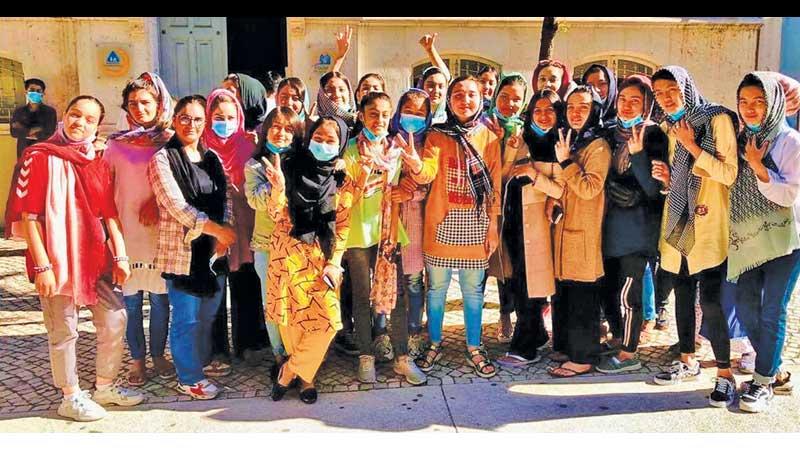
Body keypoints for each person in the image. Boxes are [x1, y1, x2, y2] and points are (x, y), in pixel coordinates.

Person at [5, 95, 144, 421]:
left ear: (97, 127)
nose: (79, 123)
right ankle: (70, 396)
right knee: (63, 330)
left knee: (115, 319)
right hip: (57, 260)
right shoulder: (38, 157)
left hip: (94, 259)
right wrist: (42, 266)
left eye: (89, 119)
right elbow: (30, 216)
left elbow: (109, 213)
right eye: (75, 114)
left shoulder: (96, 161)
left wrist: (121, 255)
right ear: (64, 117)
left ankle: (105, 386)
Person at [649, 66, 739, 409]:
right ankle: (687, 360)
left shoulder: (716, 120)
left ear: (686, 86)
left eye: (671, 89)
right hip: (680, 221)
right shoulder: (673, 128)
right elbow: (685, 179)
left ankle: (726, 374)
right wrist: (668, 180)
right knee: (683, 295)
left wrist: (692, 146)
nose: (666, 97)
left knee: (713, 301)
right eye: (659, 93)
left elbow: (729, 174)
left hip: (711, 225)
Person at [265, 115, 369, 404]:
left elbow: (344, 225)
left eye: (330, 140)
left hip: (322, 257)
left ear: (341, 143)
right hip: (288, 254)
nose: (323, 144)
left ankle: (287, 372)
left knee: (327, 323)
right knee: (292, 323)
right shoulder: (288, 166)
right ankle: (306, 379)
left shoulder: (344, 180)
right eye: (318, 138)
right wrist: (277, 190)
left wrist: (335, 262)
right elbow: (276, 214)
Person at [408, 75, 501, 379]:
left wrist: (493, 226)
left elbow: (494, 187)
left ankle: (474, 347)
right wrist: (418, 165)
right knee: (437, 289)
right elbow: (428, 172)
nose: (465, 100)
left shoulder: (491, 137)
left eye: (471, 94)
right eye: (457, 94)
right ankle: (434, 343)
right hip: (442, 224)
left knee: (473, 291)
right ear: (448, 101)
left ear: (481, 99)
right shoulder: (436, 135)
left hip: (476, 222)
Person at [149, 95, 236, 400]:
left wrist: (222, 238)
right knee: (185, 318)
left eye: (198, 119)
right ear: (174, 120)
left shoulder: (212, 157)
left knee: (209, 315)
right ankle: (188, 377)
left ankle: (199, 363)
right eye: (185, 117)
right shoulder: (162, 159)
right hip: (182, 252)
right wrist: (218, 230)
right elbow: (176, 205)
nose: (191, 124)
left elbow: (225, 197)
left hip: (212, 254)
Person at [727, 72, 800, 412]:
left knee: (772, 308)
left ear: (774, 103)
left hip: (788, 240)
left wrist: (758, 166)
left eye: (759, 101)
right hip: (752, 236)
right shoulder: (741, 139)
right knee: (744, 306)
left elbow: (789, 194)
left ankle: (762, 382)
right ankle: (775, 369)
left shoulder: (790, 142)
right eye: (744, 102)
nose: (750, 108)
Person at [342, 91, 426, 385]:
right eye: (373, 113)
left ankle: (402, 358)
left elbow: (418, 180)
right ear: (362, 115)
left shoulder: (397, 148)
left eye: (384, 114)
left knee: (398, 295)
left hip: (390, 231)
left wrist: (413, 170)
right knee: (362, 295)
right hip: (358, 232)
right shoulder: (349, 148)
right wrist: (360, 179)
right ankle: (366, 356)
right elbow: (342, 191)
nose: (379, 119)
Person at [104, 72, 176, 386]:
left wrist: (157, 203)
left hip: (161, 231)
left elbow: (181, 183)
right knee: (131, 300)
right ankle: (136, 359)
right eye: (133, 103)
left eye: (146, 102)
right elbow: (105, 188)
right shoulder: (115, 144)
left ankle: (159, 354)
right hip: (126, 232)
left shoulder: (172, 140)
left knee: (160, 299)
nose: (139, 108)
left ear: (159, 103)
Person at [595, 75, 668, 374]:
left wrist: (637, 159)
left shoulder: (653, 136)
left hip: (637, 230)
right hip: (608, 227)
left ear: (647, 104)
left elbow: (654, 188)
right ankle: (617, 337)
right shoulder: (610, 132)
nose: (626, 106)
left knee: (629, 293)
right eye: (623, 99)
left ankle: (629, 352)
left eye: (635, 100)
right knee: (608, 288)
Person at [494, 89, 565, 367]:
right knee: (518, 281)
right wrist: (512, 150)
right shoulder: (522, 138)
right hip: (513, 222)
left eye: (550, 110)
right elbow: (501, 176)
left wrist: (533, 175)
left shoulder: (559, 144)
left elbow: (561, 189)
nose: (544, 116)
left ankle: (525, 347)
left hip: (537, 227)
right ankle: (536, 334)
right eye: (538, 110)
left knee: (532, 285)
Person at [546, 86, 611, 378]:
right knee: (565, 293)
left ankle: (583, 356)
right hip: (563, 230)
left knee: (582, 297)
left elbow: (589, 188)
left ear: (595, 110)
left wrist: (566, 162)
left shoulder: (598, 146)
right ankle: (565, 347)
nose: (575, 113)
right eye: (571, 106)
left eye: (583, 107)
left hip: (584, 232)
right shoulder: (570, 140)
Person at [202, 89, 268, 366]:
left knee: (246, 285)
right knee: (215, 289)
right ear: (208, 117)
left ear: (239, 117)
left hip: (246, 227)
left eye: (230, 117)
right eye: (218, 117)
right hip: (212, 230)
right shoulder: (199, 146)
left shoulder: (249, 145)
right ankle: (217, 351)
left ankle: (249, 343)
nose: (225, 122)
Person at [244, 106, 304, 379]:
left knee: (297, 301)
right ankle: (280, 356)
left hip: (298, 245)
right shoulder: (255, 165)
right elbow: (255, 201)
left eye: (288, 128)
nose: (281, 133)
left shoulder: (304, 162)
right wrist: (276, 185)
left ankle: (299, 356)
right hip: (267, 245)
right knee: (273, 304)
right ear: (266, 129)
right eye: (276, 127)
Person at [389, 88, 434, 359]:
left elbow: (433, 183)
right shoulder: (388, 140)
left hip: (417, 222)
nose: (414, 118)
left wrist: (412, 192)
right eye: (409, 111)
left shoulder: (430, 143)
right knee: (391, 282)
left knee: (415, 281)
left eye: (420, 114)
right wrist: (395, 187)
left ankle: (415, 333)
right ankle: (391, 336)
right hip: (389, 221)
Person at [10, 78, 57, 158]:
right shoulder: (19, 112)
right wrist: (36, 129)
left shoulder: (50, 112)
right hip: (23, 151)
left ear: (43, 94)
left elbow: (49, 133)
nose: (35, 93)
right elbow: (14, 132)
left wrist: (24, 130)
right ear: (26, 92)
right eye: (32, 90)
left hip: (43, 151)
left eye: (38, 91)